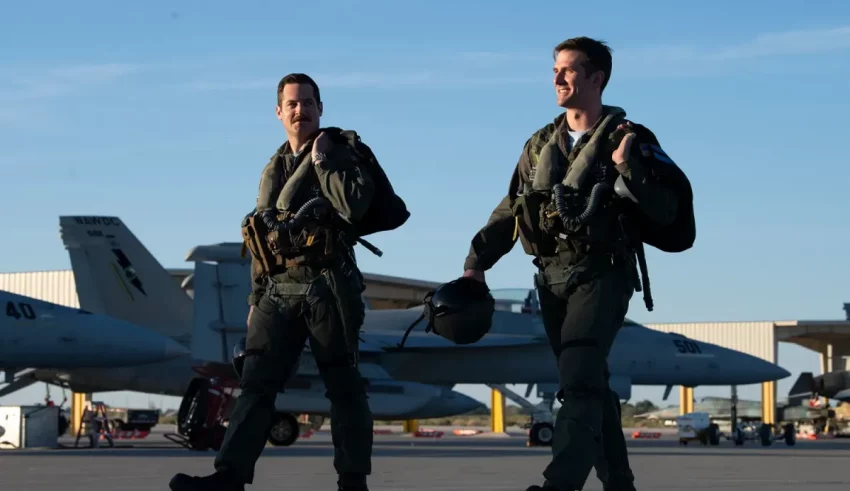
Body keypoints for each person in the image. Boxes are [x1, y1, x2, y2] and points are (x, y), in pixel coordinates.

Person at [460, 37, 694, 491]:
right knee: (592, 386)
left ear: (596, 78)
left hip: (602, 273)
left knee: (580, 380)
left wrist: (630, 170)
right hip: (550, 280)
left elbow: (668, 213)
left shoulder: (629, 139)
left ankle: (559, 485)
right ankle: (619, 485)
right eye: (554, 70)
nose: (557, 78)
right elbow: (511, 208)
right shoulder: (539, 144)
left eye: (568, 70)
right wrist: (476, 263)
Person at [170, 73, 384, 491]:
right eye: (292, 104)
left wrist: (324, 161)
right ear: (279, 112)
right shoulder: (275, 165)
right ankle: (228, 477)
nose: (300, 110)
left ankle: (353, 482)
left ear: (320, 108)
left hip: (328, 289)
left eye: (307, 102)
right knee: (254, 385)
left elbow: (357, 207)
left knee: (344, 388)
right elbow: (260, 238)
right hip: (277, 291)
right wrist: (255, 296)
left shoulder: (341, 151)